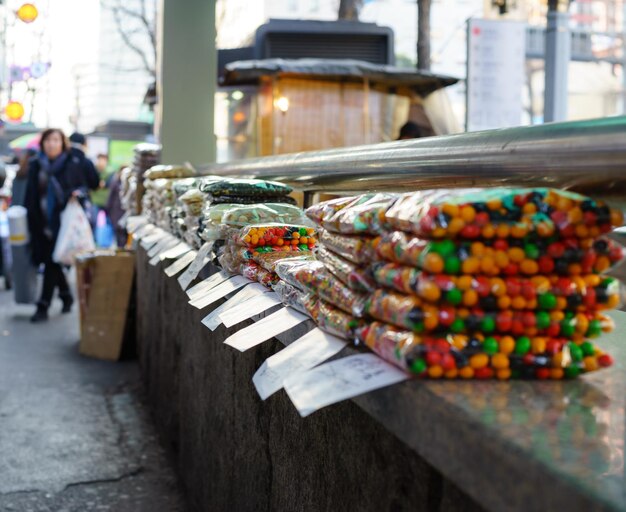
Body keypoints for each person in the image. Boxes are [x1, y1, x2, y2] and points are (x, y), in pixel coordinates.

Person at [24, 128, 98, 322]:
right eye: (48, 140)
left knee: (52, 260)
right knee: (51, 260)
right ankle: (66, 295)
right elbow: (30, 194)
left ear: (62, 143)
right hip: (41, 222)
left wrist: (77, 193)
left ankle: (43, 306)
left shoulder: (72, 163)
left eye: (56, 140)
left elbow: (89, 184)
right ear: (42, 144)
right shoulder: (36, 165)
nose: (51, 144)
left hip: (63, 222)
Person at [105, 166, 128, 248]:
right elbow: (110, 198)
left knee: (124, 234)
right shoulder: (115, 182)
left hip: (123, 213)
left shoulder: (127, 184)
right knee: (119, 234)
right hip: (116, 213)